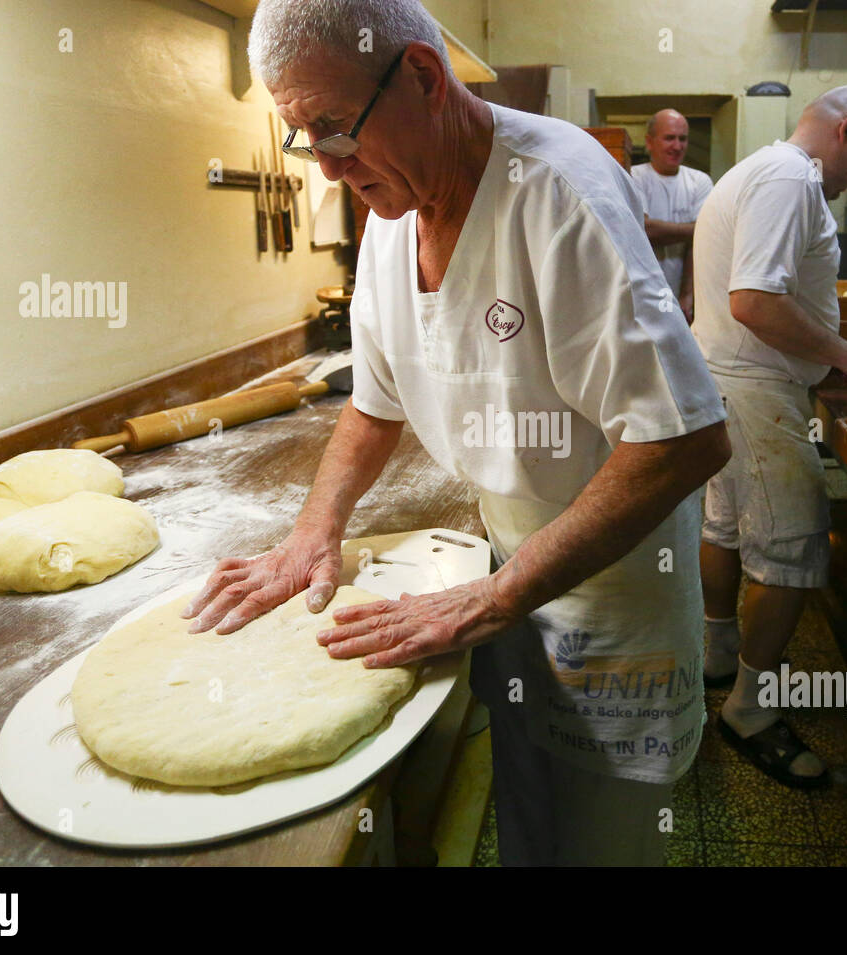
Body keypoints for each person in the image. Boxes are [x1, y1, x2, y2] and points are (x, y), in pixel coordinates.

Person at [182, 0, 731, 866]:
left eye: (333, 129)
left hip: (615, 609)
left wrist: (496, 596)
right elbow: (373, 401)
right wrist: (312, 533)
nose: (327, 171)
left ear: (425, 79)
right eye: (305, 139)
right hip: (508, 585)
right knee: (528, 829)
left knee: (602, 844)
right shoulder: (392, 207)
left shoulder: (557, 194)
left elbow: (685, 439)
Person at [692, 86, 847, 789]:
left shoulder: (754, 169)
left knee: (723, 526)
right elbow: (753, 301)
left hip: (720, 378)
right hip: (755, 388)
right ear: (845, 129)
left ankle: (719, 656)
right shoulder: (791, 180)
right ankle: (750, 710)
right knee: (792, 545)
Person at [631, 109, 712, 324]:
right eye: (669, 138)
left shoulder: (699, 181)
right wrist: (694, 229)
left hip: (681, 296)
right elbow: (645, 232)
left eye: (682, 139)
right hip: (641, 295)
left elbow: (702, 241)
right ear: (649, 142)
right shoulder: (634, 176)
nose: (677, 146)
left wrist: (688, 293)